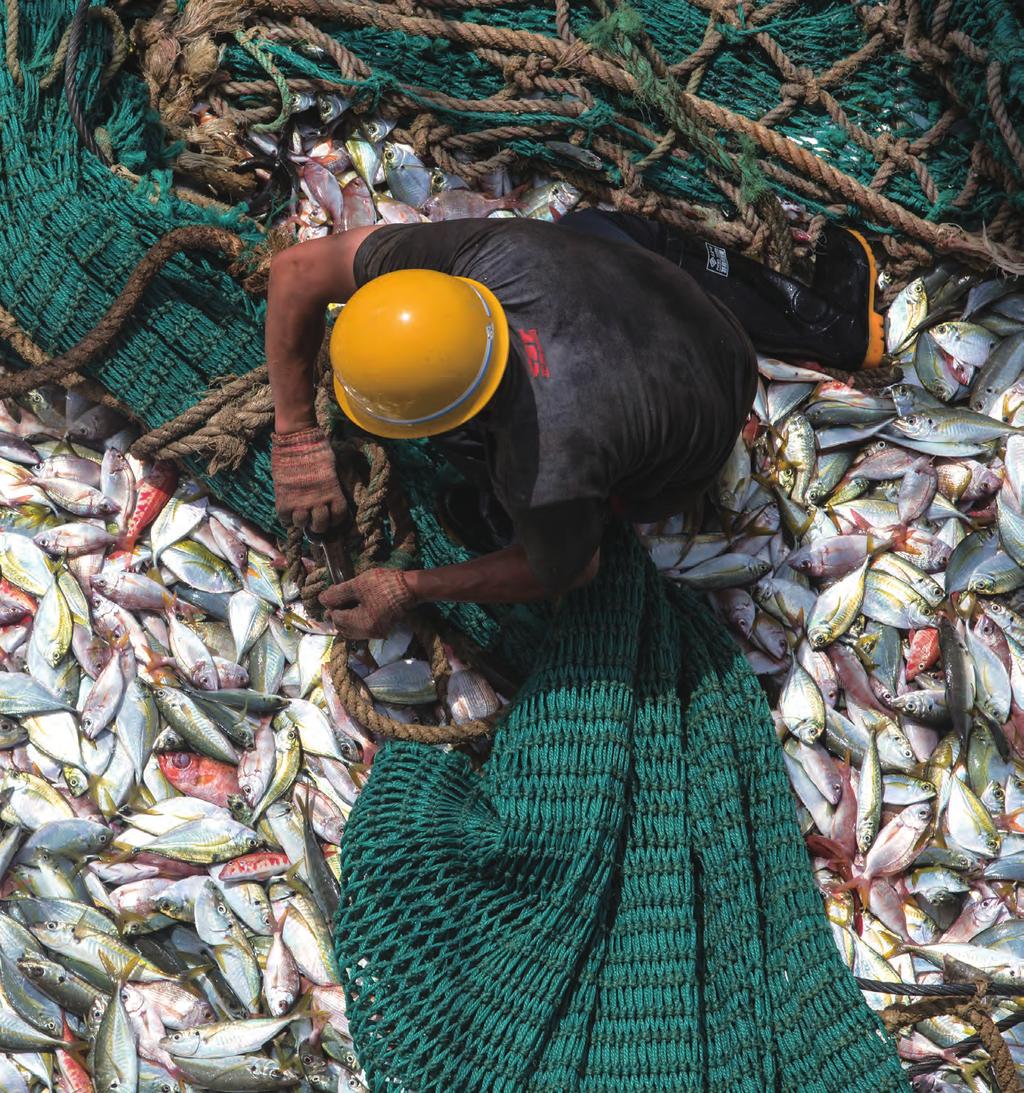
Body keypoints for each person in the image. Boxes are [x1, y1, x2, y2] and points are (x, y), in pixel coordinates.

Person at [266, 209, 883, 638]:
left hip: (704, 426)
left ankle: (519, 508)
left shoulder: (547, 463)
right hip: (683, 313)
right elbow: (295, 272)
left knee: (499, 495)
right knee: (595, 231)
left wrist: (411, 589)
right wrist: (295, 436)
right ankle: (825, 322)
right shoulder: (482, 257)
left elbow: (566, 569)